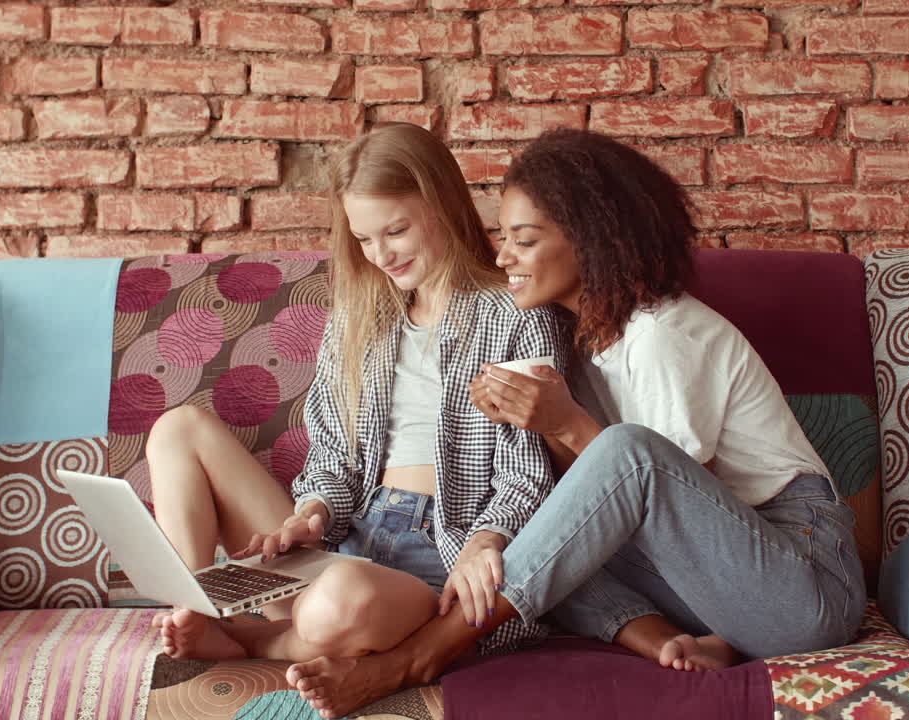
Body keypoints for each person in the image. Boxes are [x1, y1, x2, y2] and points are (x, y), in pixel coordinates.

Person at [283, 128, 868, 718]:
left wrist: (566, 423)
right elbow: (590, 508)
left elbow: (668, 489)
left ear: (589, 243)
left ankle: (417, 658)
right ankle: (672, 638)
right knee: (551, 528)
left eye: (524, 240)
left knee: (622, 455)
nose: (502, 256)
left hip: (802, 579)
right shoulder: (582, 342)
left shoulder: (664, 335)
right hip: (709, 593)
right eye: (503, 237)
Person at [147, 122, 568, 662]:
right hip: (350, 542)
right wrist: (312, 514)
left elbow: (529, 472)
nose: (382, 255)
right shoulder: (357, 318)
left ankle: (254, 640)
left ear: (440, 204)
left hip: (441, 559)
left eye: (395, 231)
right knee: (178, 428)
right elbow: (332, 460)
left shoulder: (513, 315)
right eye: (365, 239)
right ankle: (197, 612)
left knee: (337, 605)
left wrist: (489, 540)